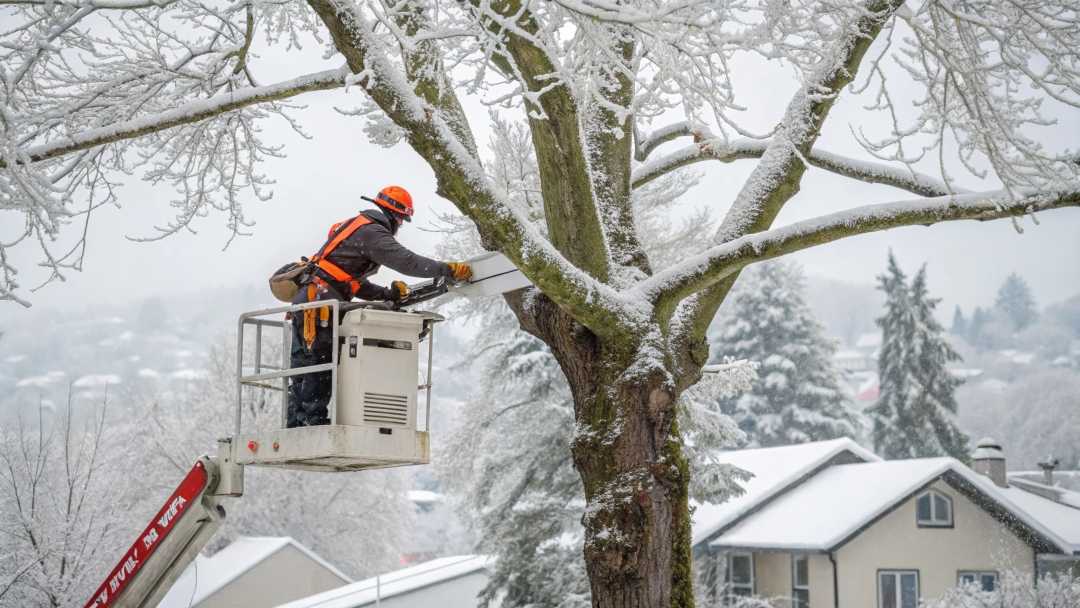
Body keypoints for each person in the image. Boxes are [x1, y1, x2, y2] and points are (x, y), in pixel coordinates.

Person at [287, 185, 472, 427]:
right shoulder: (372, 232)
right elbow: (407, 262)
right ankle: (311, 421)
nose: (401, 226)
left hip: (312, 300)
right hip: (319, 304)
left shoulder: (358, 227)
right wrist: (446, 269)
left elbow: (350, 282)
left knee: (307, 363)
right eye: (402, 220)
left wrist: (387, 294)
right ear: (396, 215)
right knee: (317, 364)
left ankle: (298, 421)